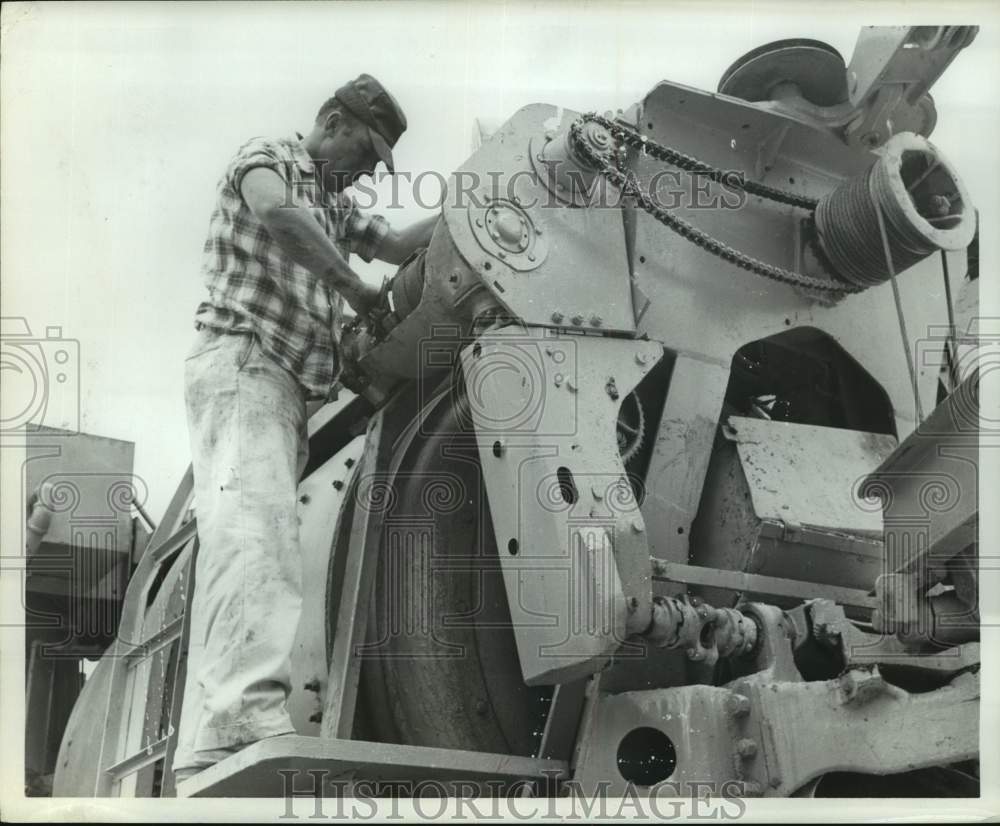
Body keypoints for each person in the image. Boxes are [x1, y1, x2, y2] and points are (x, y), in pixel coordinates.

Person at [173, 74, 437, 784]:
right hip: (244, 363)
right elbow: (279, 217)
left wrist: (474, 204)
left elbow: (397, 245)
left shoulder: (334, 202)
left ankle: (216, 728)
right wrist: (354, 291)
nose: (366, 170)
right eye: (366, 150)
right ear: (332, 120)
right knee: (254, 534)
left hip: (285, 388)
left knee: (251, 540)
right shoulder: (273, 158)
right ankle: (235, 720)